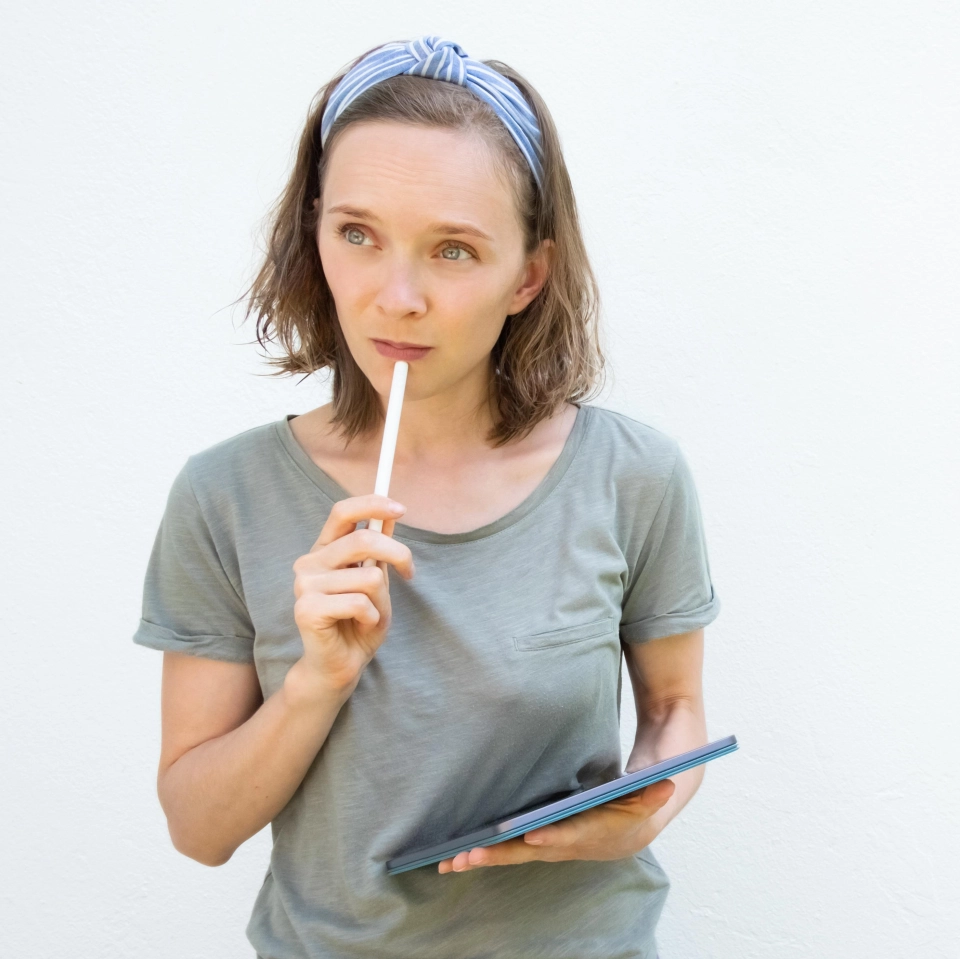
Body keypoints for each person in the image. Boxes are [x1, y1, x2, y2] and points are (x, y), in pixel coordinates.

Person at [132, 37, 721, 959]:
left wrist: (640, 817)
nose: (395, 296)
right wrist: (314, 684)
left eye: (453, 250)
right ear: (314, 233)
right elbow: (197, 830)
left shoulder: (634, 475)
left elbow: (674, 712)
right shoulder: (224, 496)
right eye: (357, 234)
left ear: (527, 274)